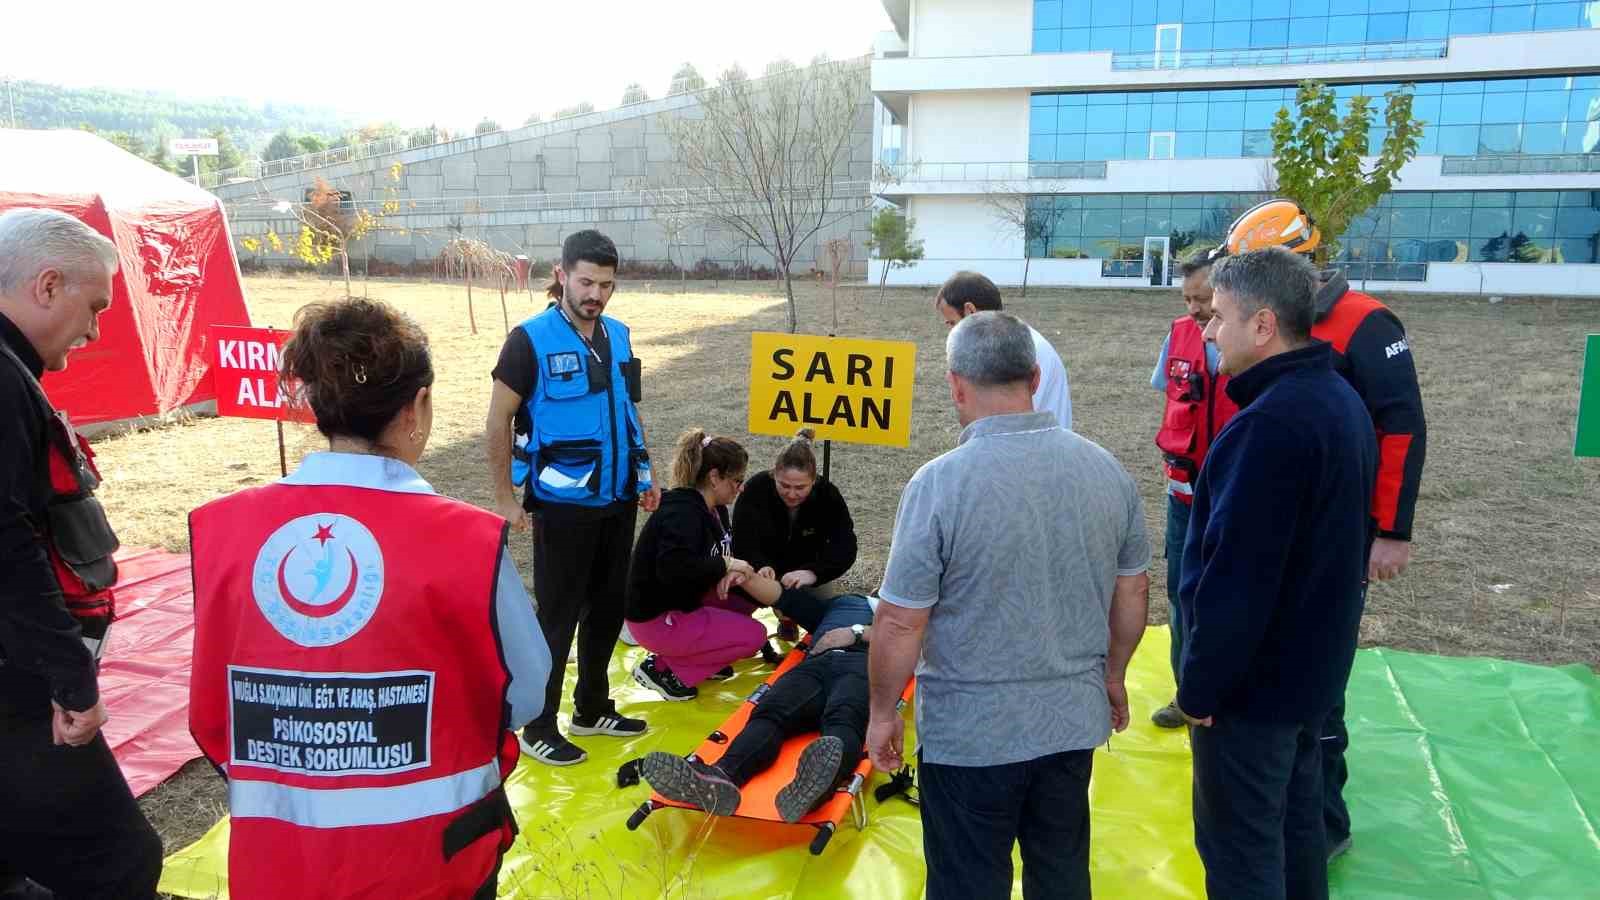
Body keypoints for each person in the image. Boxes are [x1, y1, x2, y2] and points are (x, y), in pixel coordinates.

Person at [189, 299, 553, 900]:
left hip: (280, 864)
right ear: (419, 407)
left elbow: (212, 711)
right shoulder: (468, 540)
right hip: (435, 861)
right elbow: (525, 690)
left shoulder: (222, 531)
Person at [866, 311, 1151, 900]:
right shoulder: (1107, 472)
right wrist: (1115, 675)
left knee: (968, 883)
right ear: (1035, 375)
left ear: (955, 384)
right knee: (1062, 873)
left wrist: (882, 710)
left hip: (970, 736)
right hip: (1070, 722)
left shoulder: (938, 484)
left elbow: (898, 619)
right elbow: (1133, 590)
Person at [1215, 199, 1428, 859]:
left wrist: (1391, 529)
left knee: (1317, 684)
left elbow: (1402, 423)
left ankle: (1320, 821)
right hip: (1276, 521)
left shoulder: (1364, 323)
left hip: (1336, 536)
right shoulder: (1258, 325)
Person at [1174, 248, 1376, 900]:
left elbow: (1238, 581)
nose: (1207, 331)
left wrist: (1199, 690)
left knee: (1242, 853)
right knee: (1295, 839)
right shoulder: (1339, 400)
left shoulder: (1267, 427)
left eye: (1221, 317)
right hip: (1309, 680)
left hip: (1252, 696)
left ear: (1263, 325)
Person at [0, 207, 163, 899]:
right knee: (121, 862)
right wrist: (72, 678)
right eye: (92, 306)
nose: (96, 329)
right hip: (18, 683)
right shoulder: (3, 380)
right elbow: (6, 542)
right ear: (47, 285)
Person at [485, 229, 660, 767]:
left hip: (619, 496)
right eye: (586, 281)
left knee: (609, 607)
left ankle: (591, 707)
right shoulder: (529, 340)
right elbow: (497, 422)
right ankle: (539, 723)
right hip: (562, 505)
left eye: (606, 285)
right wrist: (503, 497)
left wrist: (645, 472)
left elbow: (627, 412)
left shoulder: (621, 337)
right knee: (558, 616)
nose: (596, 294)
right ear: (561, 275)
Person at [640, 585, 877, 824]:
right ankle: (721, 778)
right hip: (813, 665)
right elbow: (784, 598)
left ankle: (814, 788)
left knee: (844, 718)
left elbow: (909, 638)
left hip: (863, 663)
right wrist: (748, 577)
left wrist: (856, 632)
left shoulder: (902, 614)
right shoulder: (844, 603)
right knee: (769, 714)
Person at [1148, 255, 1240, 729]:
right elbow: (1169, 394)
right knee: (1182, 593)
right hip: (1184, 493)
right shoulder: (1179, 334)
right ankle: (1186, 694)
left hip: (1235, 493)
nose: (1195, 309)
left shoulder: (1253, 343)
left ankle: (1229, 696)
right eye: (1188, 299)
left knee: (1229, 594)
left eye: (1203, 299)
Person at [625, 430, 775, 702]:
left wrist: (744, 569)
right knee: (754, 636)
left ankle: (696, 656)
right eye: (737, 481)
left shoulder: (713, 507)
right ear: (715, 477)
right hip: (656, 617)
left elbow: (713, 557)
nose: (740, 488)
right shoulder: (681, 514)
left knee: (750, 599)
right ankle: (664, 669)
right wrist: (724, 564)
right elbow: (673, 570)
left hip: (681, 602)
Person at [731, 428, 857, 642]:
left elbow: (846, 546)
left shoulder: (828, 495)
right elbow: (741, 540)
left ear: (814, 481)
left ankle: (790, 618)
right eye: (784, 485)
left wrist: (813, 573)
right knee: (731, 618)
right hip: (759, 571)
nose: (791, 493)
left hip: (805, 572)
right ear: (774, 475)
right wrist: (760, 565)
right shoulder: (755, 490)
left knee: (828, 621)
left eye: (800, 487)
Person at [933, 270, 1072, 430]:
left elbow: (1015, 425)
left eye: (952, 323)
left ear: (970, 311)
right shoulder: (1009, 342)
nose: (951, 332)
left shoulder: (1020, 348)